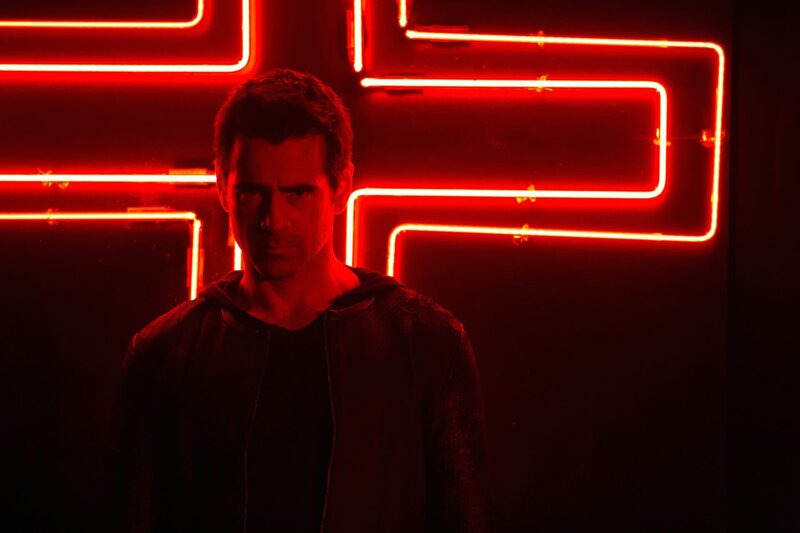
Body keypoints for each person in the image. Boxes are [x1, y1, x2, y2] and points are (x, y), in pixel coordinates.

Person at [106, 68, 494, 532]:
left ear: (341, 187)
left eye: (298, 193)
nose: (274, 220)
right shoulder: (166, 354)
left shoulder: (427, 345)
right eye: (253, 192)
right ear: (223, 187)